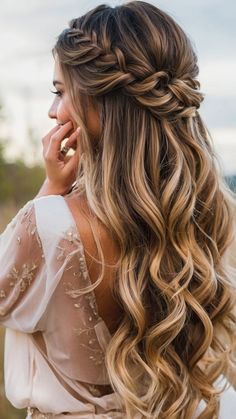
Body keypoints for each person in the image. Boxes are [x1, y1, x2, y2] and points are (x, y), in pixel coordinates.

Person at [0, 1, 236, 418]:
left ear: (100, 102)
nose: (53, 111)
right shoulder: (212, 211)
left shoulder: (50, 224)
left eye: (60, 92)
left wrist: (51, 188)